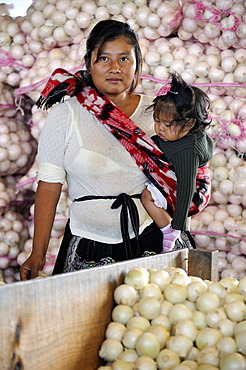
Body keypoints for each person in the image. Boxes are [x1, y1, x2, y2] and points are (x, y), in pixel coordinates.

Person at [20, 19, 170, 280]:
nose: (115, 68)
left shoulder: (159, 113)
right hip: (87, 243)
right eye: (104, 59)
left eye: (124, 59)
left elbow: (183, 180)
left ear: (137, 65)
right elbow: (49, 185)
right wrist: (38, 253)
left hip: (149, 239)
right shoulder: (65, 115)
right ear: (89, 63)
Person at [141, 73, 214, 252]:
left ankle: (168, 231)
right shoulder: (183, 134)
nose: (160, 128)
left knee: (146, 196)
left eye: (166, 124)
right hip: (192, 184)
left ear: (189, 125)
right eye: (157, 121)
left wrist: (179, 223)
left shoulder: (187, 151)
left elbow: (186, 187)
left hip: (193, 194)